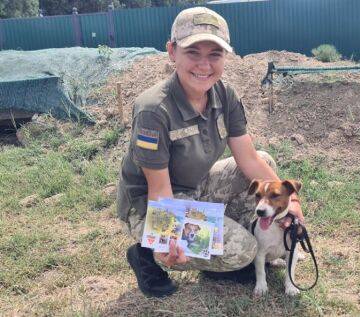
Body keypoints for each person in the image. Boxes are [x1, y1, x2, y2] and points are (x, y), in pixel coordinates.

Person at [117, 7, 304, 298]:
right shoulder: (154, 109)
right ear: (172, 51)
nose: (204, 65)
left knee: (265, 161)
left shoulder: (224, 94)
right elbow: (160, 191)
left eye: (215, 54)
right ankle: (146, 251)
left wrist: (292, 203)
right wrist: (167, 240)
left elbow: (250, 159)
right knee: (245, 250)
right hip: (153, 203)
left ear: (225, 57)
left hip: (196, 185)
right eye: (193, 52)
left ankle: (214, 242)